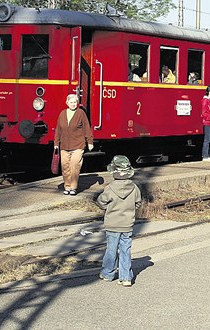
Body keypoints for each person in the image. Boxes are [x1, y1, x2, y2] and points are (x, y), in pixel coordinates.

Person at [97, 155, 142, 287]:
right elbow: (138, 203)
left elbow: (101, 202)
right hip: (127, 225)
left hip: (112, 224)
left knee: (111, 249)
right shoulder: (134, 188)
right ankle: (126, 277)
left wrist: (108, 209)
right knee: (125, 250)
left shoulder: (110, 188)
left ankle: (108, 273)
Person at [54, 94, 94, 196]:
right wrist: (56, 143)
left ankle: (73, 187)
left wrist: (89, 142)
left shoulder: (80, 113)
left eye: (75, 102)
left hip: (78, 145)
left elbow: (86, 128)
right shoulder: (62, 114)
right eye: (71, 102)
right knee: (65, 167)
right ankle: (67, 187)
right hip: (64, 145)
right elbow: (58, 130)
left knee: (74, 166)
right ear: (67, 103)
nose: (73, 104)